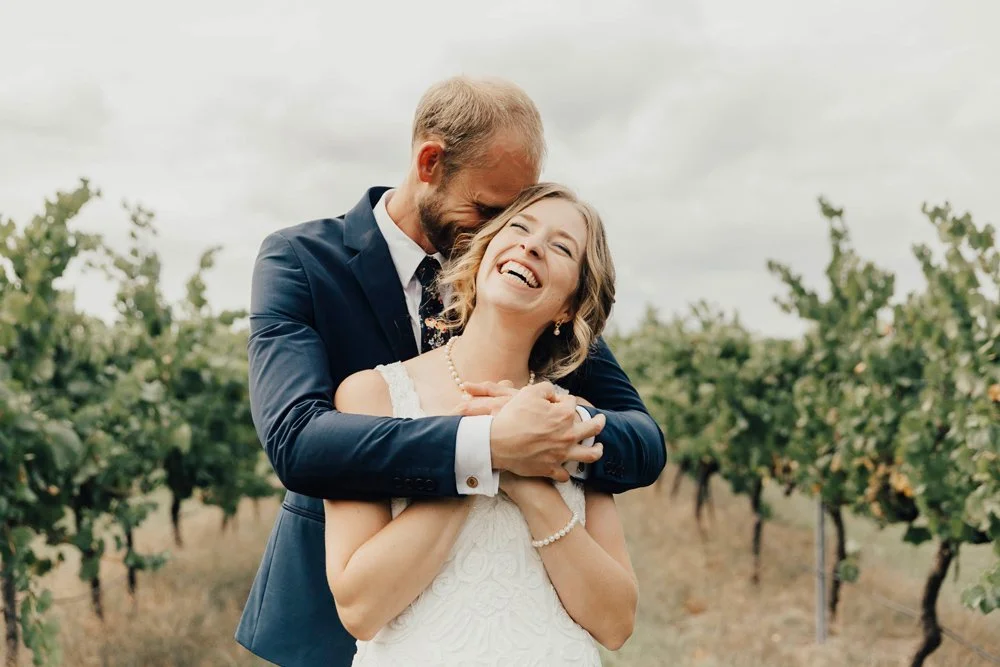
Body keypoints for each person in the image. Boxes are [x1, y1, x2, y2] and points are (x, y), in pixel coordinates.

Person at [236, 76, 665, 667]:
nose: (506, 234)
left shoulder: (526, 293)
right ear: (430, 162)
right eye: (495, 211)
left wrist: (561, 434)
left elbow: (642, 440)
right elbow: (297, 441)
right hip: (342, 612)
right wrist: (489, 446)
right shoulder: (303, 262)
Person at [327, 183, 637, 665]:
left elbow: (616, 623)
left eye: (560, 247)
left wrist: (532, 487)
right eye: (518, 228)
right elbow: (360, 608)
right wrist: (485, 450)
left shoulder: (572, 417)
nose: (532, 245)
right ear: (484, 250)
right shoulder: (372, 396)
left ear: (568, 307)